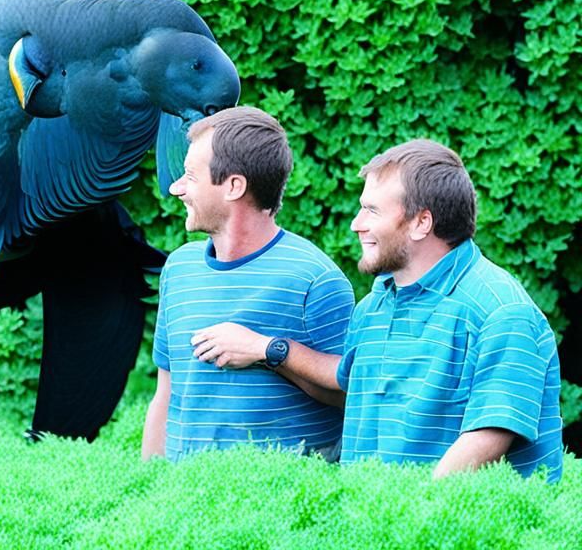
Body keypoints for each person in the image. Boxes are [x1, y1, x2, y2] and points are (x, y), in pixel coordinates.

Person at [336, 139, 563, 480]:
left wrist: (409, 521)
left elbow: (486, 440)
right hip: (368, 527)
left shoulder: (502, 313)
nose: (356, 223)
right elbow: (347, 399)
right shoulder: (371, 308)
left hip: (444, 530)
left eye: (372, 210)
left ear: (421, 223)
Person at [142, 107, 354, 461]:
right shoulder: (178, 269)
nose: (176, 189)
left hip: (278, 501)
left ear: (234, 186)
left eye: (191, 177)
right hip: (182, 499)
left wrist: (268, 351)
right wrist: (148, 489)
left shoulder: (315, 279)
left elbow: (352, 396)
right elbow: (166, 394)